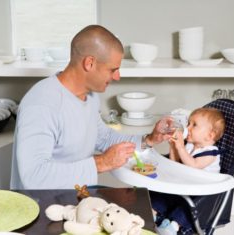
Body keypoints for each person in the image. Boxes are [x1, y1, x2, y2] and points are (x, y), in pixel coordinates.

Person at [10, 25, 170, 189]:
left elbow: (104, 138)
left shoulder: (90, 96)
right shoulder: (42, 105)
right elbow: (33, 177)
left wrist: (149, 140)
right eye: (112, 69)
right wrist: (102, 163)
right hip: (43, 204)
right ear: (89, 63)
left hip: (77, 194)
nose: (117, 76)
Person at [151, 107, 226, 235]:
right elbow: (176, 165)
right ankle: (151, 213)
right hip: (185, 187)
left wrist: (180, 147)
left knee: (186, 209)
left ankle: (172, 226)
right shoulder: (189, 146)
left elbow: (193, 165)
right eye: (188, 123)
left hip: (200, 195)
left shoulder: (211, 153)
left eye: (194, 125)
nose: (188, 128)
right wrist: (173, 147)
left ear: (210, 135)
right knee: (160, 195)